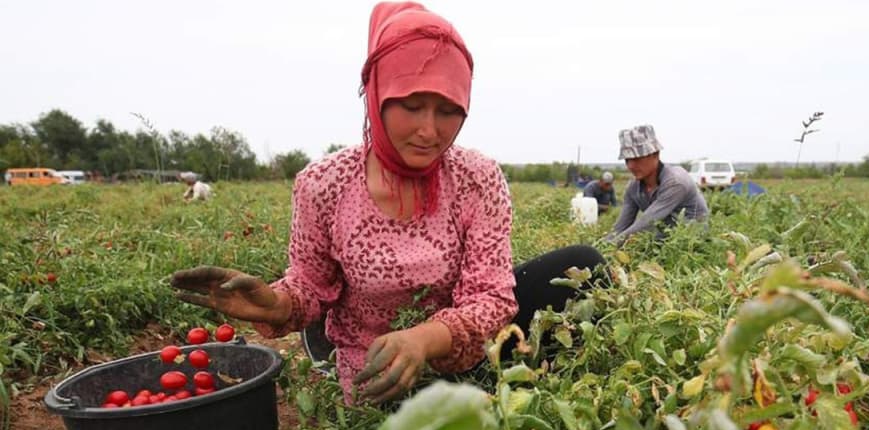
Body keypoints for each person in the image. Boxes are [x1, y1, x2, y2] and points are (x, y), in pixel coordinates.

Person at [170, 1, 604, 404]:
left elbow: (491, 297)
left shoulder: (476, 177)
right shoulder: (324, 184)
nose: (429, 131)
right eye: (412, 106)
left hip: (463, 348)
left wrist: (424, 338)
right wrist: (277, 303)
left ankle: (541, 387)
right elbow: (311, 287)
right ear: (376, 94)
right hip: (380, 369)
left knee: (582, 263)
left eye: (448, 110)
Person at [605, 124, 708, 245]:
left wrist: (612, 246)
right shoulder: (633, 188)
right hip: (661, 240)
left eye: (637, 158)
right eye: (627, 160)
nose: (631, 166)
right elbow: (620, 226)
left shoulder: (675, 182)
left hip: (690, 243)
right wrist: (602, 245)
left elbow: (647, 222)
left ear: (655, 154)